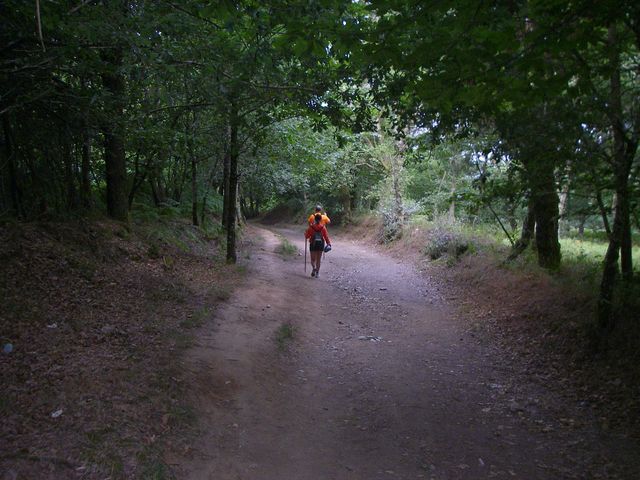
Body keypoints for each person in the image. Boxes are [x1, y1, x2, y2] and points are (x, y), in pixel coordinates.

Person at [305, 213, 331, 278]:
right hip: (320, 244)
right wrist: (328, 243)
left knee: (312, 259)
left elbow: (307, 236)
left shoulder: (311, 227)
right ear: (320, 219)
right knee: (318, 259)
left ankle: (314, 268)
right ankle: (317, 273)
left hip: (313, 244)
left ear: (315, 219)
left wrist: (305, 233)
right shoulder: (323, 227)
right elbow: (326, 236)